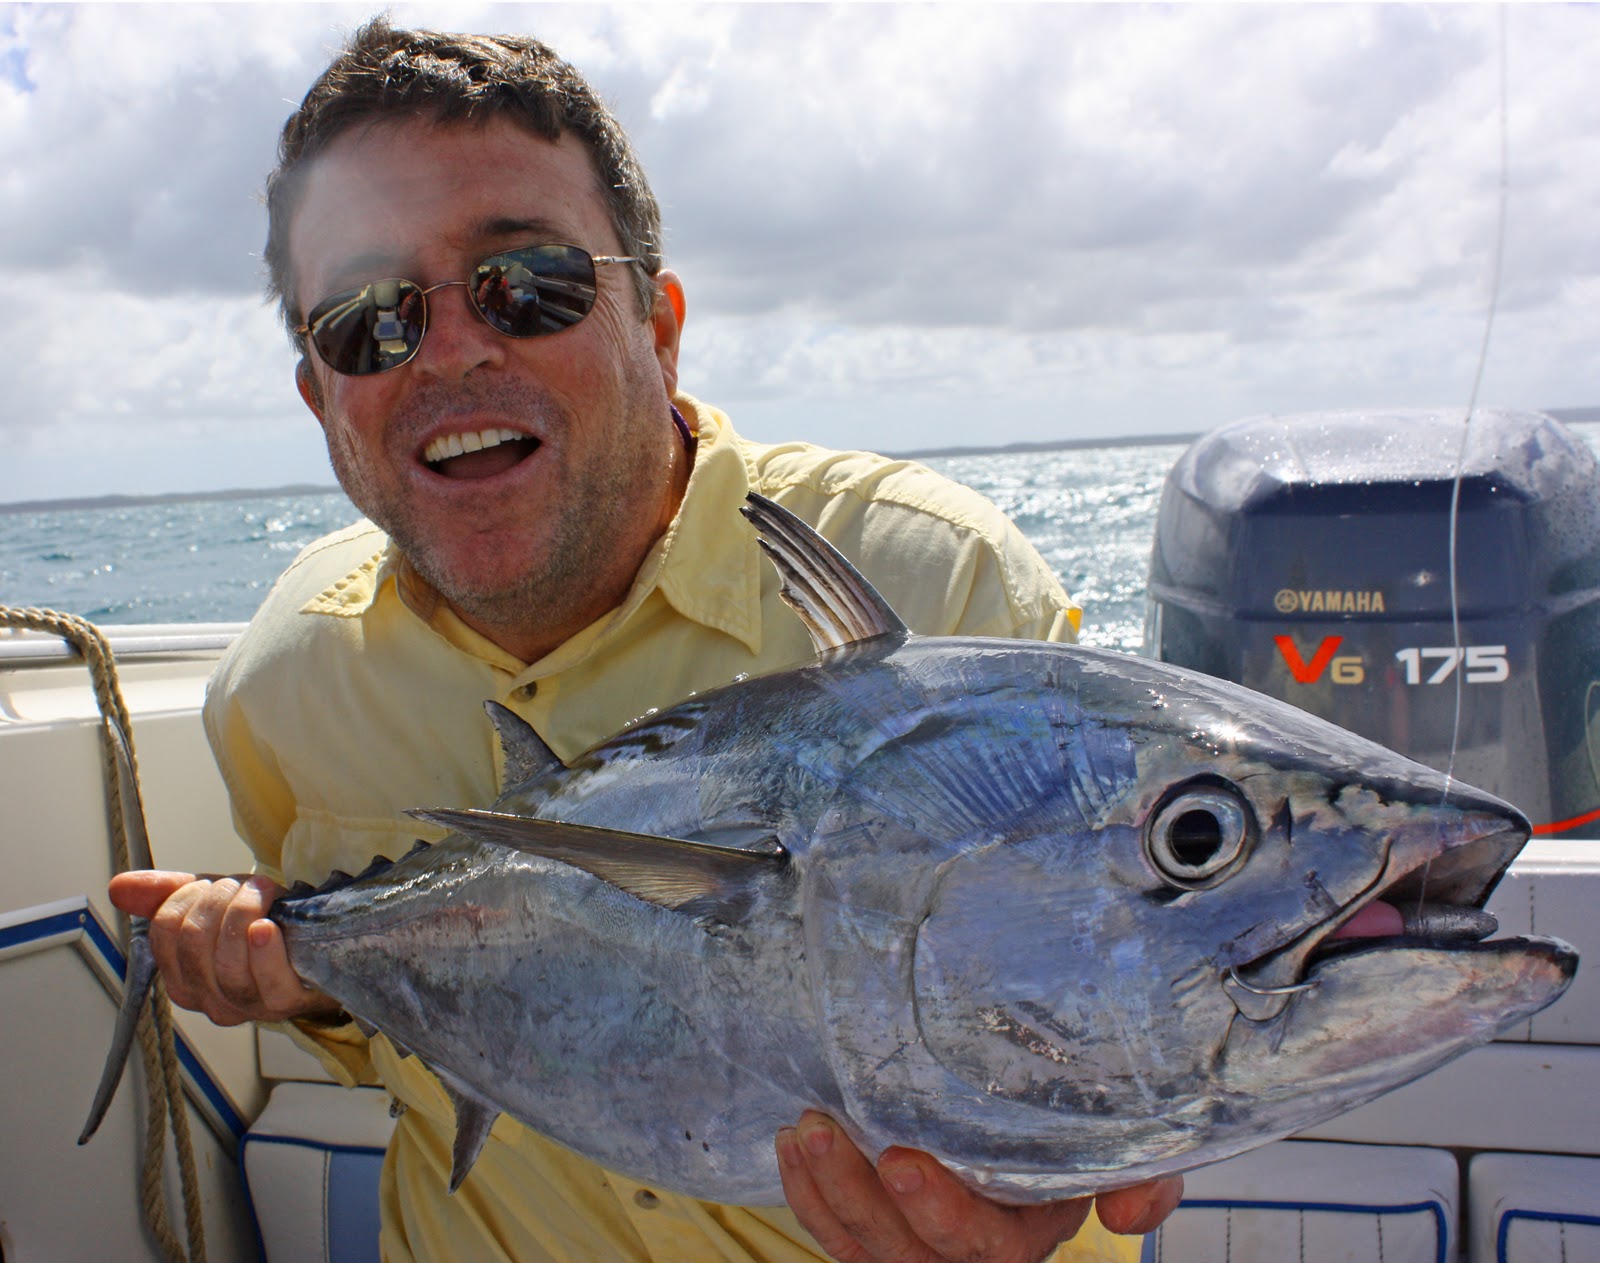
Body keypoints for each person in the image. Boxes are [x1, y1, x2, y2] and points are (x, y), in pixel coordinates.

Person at [110, 19, 1182, 1263]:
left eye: (530, 285)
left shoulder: (937, 588)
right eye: (365, 319)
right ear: (319, 395)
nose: (452, 348)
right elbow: (396, 1008)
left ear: (657, 324)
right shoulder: (287, 683)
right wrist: (299, 973)